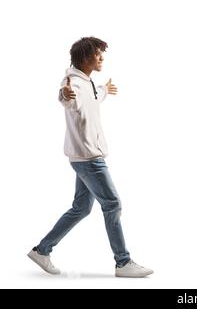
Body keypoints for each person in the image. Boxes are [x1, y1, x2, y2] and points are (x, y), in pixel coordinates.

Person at [27, 37, 153, 278]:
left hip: (81, 156)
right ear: (85, 58)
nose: (102, 57)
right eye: (97, 54)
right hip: (89, 158)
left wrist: (105, 88)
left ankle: (42, 250)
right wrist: (64, 95)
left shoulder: (88, 83)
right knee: (112, 203)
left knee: (81, 208)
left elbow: (93, 98)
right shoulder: (73, 83)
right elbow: (68, 99)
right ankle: (123, 263)